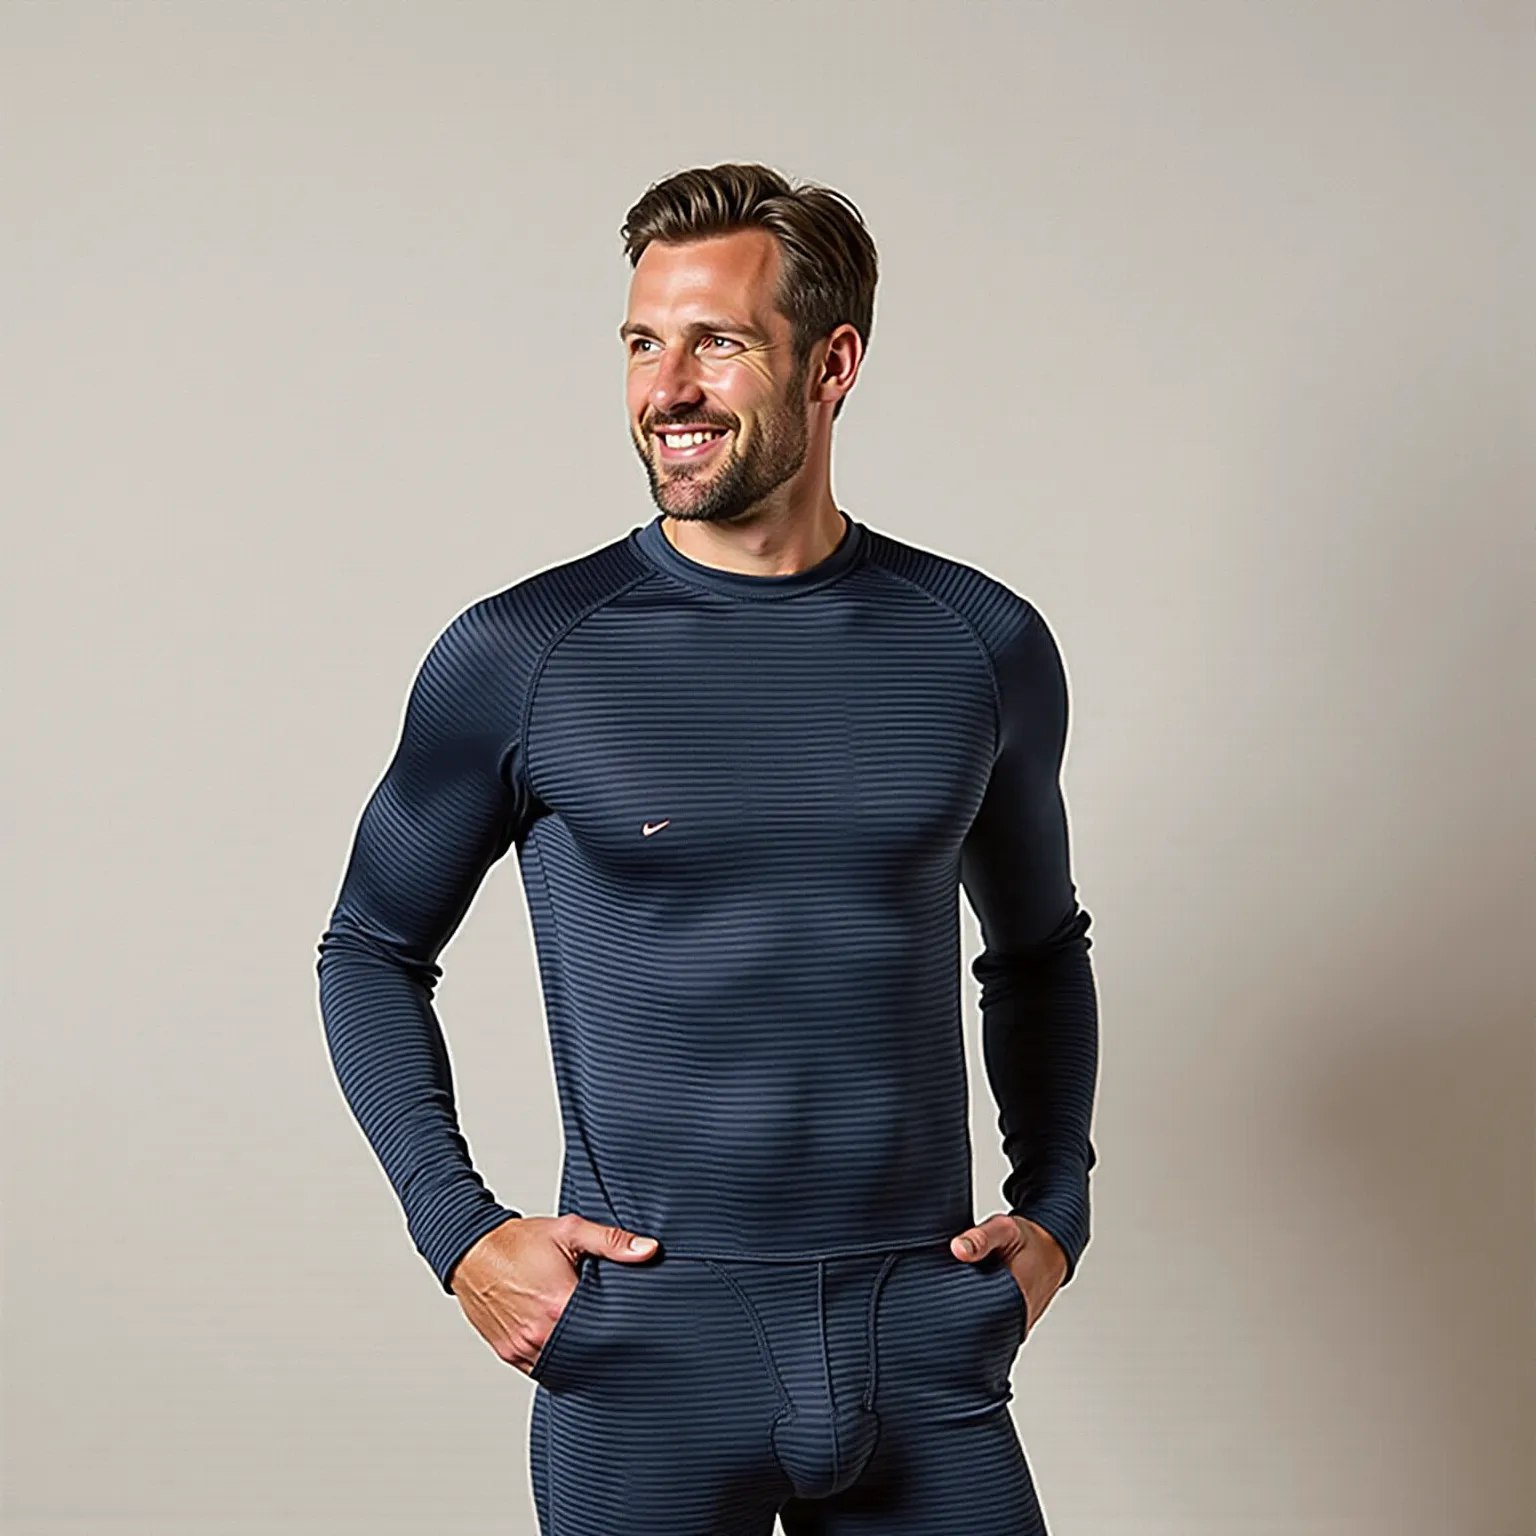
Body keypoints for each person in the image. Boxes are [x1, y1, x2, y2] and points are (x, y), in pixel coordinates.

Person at [317, 161, 1099, 1536]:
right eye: (642, 343)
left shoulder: (979, 644)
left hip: (924, 1338)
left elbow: (1036, 953)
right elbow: (369, 950)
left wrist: (1057, 1212)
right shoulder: (526, 654)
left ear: (831, 364)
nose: (666, 388)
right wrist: (459, 1232)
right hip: (647, 1354)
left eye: (717, 342)